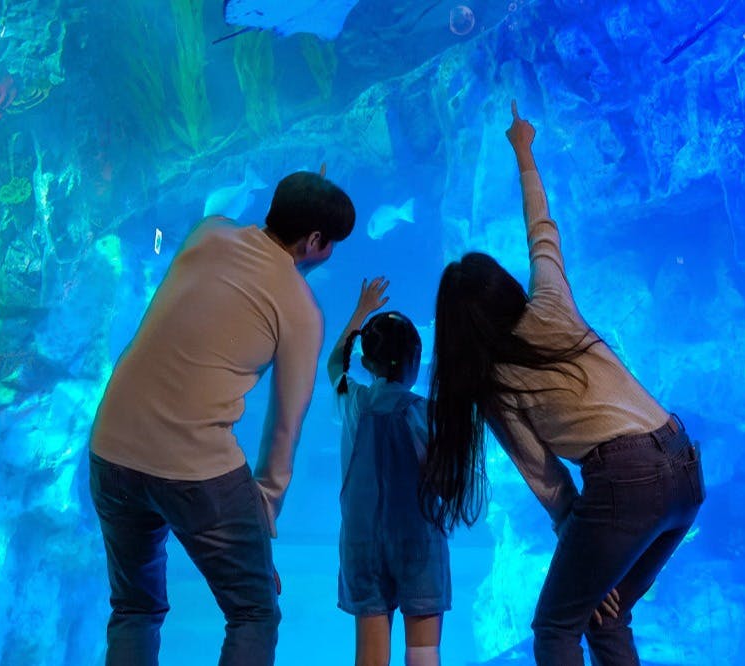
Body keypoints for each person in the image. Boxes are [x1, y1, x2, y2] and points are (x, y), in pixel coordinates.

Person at [419, 101, 706, 665]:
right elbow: (541, 231)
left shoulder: (493, 385)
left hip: (626, 481)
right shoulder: (551, 302)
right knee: (609, 614)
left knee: (555, 627)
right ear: (504, 289)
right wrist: (524, 150)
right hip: (683, 463)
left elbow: (548, 481)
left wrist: (580, 540)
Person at [89, 170, 355, 666]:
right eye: (330, 242)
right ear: (315, 241)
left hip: (110, 448)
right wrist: (263, 517)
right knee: (254, 611)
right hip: (193, 465)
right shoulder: (300, 308)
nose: (329, 253)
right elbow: (283, 427)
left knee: (134, 608)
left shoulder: (209, 232)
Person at [326, 277, 451, 666]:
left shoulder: (354, 402)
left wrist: (361, 311)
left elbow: (335, 364)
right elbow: (445, 482)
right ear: (417, 361)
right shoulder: (425, 413)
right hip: (419, 544)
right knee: (423, 652)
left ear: (366, 363)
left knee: (370, 657)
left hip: (362, 546)